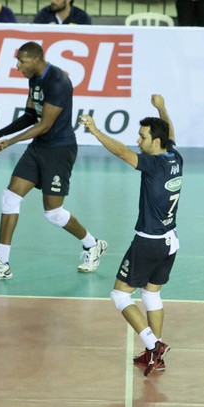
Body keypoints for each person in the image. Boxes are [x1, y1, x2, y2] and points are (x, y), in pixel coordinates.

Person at [0, 41, 106, 279]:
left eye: (22, 61)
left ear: (36, 59)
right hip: (39, 147)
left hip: (59, 150)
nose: (18, 66)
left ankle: (92, 244)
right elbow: (31, 116)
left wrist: (8, 143)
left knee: (53, 213)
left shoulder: (58, 82)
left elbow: (45, 124)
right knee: (10, 197)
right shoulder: (34, 79)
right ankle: (1, 262)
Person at [79, 94, 182, 376]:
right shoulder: (174, 157)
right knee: (151, 295)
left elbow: (122, 154)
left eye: (142, 137)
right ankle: (154, 357)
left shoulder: (154, 165)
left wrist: (96, 131)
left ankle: (154, 345)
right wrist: (161, 107)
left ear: (155, 142)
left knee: (120, 295)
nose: (138, 141)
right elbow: (169, 133)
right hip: (170, 241)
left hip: (148, 242)